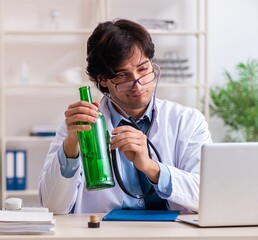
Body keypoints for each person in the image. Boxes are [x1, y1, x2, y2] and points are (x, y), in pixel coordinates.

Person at [39, 19, 212, 214]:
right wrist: (71, 147)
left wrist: (151, 168)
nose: (137, 85)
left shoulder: (188, 121)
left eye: (143, 69)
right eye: (122, 76)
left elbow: (207, 196)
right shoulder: (78, 127)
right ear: (103, 81)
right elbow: (52, 206)